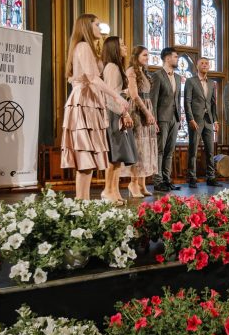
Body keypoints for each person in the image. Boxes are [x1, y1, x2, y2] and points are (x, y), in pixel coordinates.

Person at [61, 14, 128, 200]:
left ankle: (83, 201)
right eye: (97, 25)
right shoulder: (82, 46)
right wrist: (117, 97)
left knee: (88, 158)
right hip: (84, 101)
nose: (100, 28)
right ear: (86, 26)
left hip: (90, 101)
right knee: (85, 155)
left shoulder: (87, 48)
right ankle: (81, 201)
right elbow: (92, 78)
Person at [100, 37, 136, 205]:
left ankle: (114, 190)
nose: (125, 47)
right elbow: (111, 97)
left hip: (116, 113)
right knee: (114, 156)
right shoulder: (112, 68)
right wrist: (124, 113)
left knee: (118, 156)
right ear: (114, 48)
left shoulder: (115, 67)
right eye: (121, 44)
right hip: (114, 114)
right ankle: (108, 190)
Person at [121, 46, 157, 198]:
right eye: (144, 55)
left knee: (146, 148)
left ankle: (142, 184)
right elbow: (134, 95)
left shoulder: (144, 72)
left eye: (148, 55)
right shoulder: (131, 71)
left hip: (147, 107)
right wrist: (147, 113)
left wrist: (152, 117)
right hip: (137, 110)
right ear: (136, 56)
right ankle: (133, 183)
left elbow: (147, 95)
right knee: (138, 147)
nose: (147, 57)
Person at [184, 57, 222, 188]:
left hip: (208, 120)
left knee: (210, 151)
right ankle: (192, 178)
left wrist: (215, 120)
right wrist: (190, 119)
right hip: (196, 121)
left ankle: (211, 177)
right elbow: (187, 101)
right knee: (193, 150)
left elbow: (213, 103)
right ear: (197, 66)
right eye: (202, 63)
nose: (205, 65)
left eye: (207, 63)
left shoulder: (212, 83)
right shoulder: (190, 81)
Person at [150, 47, 182, 192]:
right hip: (162, 118)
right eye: (175, 57)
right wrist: (154, 121)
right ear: (167, 58)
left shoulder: (177, 77)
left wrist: (179, 118)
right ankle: (158, 181)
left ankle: (167, 180)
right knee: (160, 150)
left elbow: (177, 99)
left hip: (174, 118)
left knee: (169, 151)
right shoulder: (157, 76)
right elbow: (153, 100)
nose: (177, 59)